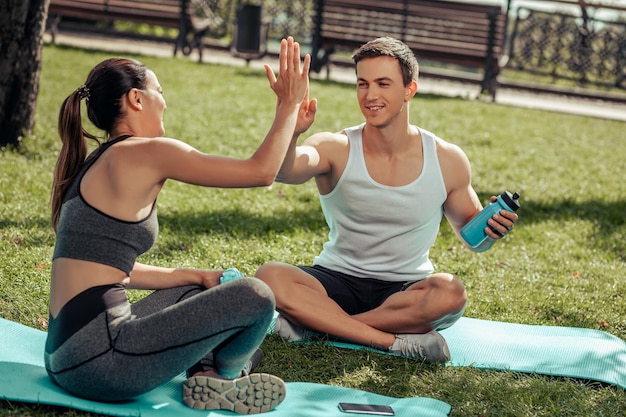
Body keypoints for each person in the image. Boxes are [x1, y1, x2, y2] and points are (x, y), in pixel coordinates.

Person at [45, 37, 314, 414]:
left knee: (194, 288)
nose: (164, 100)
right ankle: (227, 373)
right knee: (256, 295)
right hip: (102, 363)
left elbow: (111, 270)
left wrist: (193, 274)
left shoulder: (98, 161)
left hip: (67, 355)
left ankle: (208, 376)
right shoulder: (147, 151)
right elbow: (260, 173)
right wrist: (289, 104)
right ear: (136, 99)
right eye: (159, 90)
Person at [255, 36, 518, 363]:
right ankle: (392, 342)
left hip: (405, 290)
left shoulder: (447, 159)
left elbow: (473, 238)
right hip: (335, 280)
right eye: (362, 84)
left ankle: (319, 326)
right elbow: (285, 171)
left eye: (383, 83)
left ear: (410, 89)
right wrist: (291, 126)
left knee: (450, 293)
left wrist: (492, 228)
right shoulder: (336, 147)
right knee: (270, 276)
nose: (371, 95)